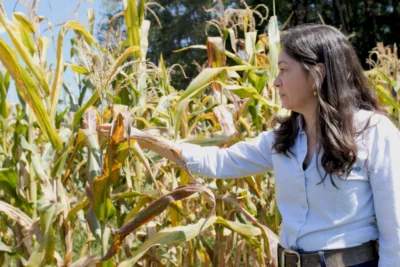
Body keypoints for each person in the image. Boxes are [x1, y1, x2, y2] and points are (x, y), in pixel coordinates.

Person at [99, 24, 400, 267]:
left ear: (317, 74)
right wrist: (138, 135)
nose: (276, 82)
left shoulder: (373, 132)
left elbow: (395, 226)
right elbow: (215, 162)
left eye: (284, 69)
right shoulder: (283, 138)